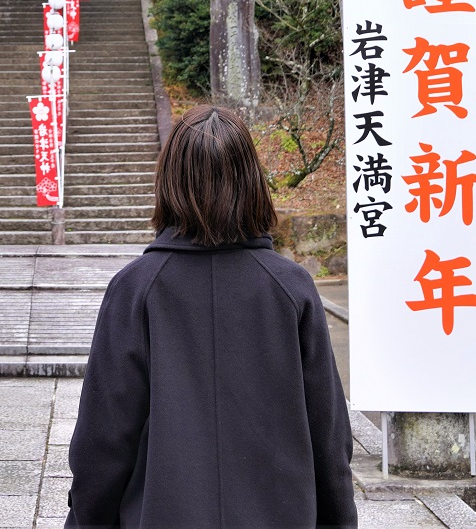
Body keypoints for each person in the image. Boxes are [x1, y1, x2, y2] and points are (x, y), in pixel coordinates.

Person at [65, 104, 358, 527]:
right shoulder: (291, 289)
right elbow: (328, 438)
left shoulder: (135, 289)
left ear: (169, 180)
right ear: (251, 180)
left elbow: (104, 439)